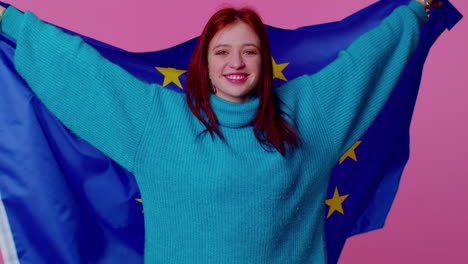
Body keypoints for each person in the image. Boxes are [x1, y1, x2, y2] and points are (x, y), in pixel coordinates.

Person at [0, 0, 432, 263]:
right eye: (222, 51)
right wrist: (9, 20)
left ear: (264, 60)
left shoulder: (308, 114)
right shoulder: (159, 121)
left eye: (249, 51)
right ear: (204, 64)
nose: (236, 63)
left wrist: (417, 9)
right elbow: (83, 72)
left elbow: (367, 59)